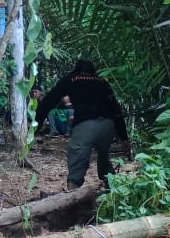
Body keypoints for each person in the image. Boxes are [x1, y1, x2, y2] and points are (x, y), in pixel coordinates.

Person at [36, 60, 131, 189]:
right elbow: (116, 109)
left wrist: (36, 125)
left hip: (85, 125)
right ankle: (112, 191)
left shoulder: (71, 79)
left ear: (76, 69)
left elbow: (48, 101)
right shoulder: (102, 81)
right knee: (104, 156)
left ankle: (72, 196)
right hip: (108, 125)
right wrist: (124, 137)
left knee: (77, 162)